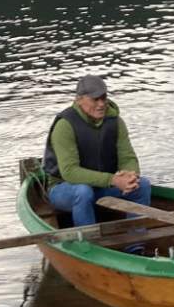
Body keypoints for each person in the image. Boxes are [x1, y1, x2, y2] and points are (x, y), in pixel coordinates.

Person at [41, 74, 150, 229]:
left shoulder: (116, 122)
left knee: (142, 185)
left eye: (103, 98)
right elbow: (69, 172)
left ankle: (136, 244)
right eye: (95, 99)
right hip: (63, 189)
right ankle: (87, 244)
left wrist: (130, 176)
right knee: (83, 192)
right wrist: (113, 180)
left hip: (101, 187)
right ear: (79, 100)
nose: (101, 104)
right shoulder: (65, 125)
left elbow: (127, 156)